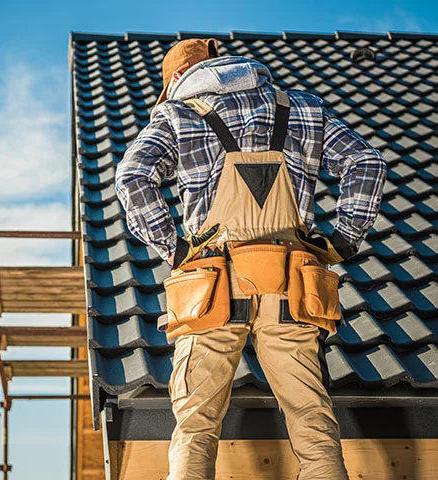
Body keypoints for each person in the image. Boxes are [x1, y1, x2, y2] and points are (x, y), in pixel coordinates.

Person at [114, 37, 387, 480]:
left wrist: (175, 248)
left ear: (179, 80)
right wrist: (341, 242)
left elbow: (131, 178)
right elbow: (367, 164)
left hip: (211, 291)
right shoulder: (304, 109)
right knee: (313, 426)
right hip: (291, 288)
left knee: (196, 428)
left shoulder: (177, 115)